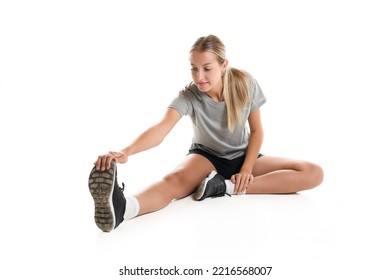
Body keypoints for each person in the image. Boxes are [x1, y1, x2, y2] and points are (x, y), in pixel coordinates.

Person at [88, 34, 324, 232]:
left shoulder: (245, 83)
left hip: (243, 156)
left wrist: (246, 170)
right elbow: (161, 129)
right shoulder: (189, 96)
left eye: (207, 68)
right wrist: (126, 151)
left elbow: (258, 131)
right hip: (205, 157)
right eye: (193, 69)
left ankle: (224, 187)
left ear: (223, 65)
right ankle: (123, 209)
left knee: (313, 173)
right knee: (174, 181)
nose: (199, 77)